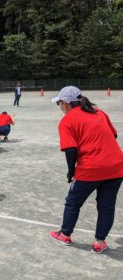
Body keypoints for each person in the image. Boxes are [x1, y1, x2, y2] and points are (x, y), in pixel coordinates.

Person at [49, 86, 123, 254]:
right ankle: (99, 242)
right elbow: (114, 135)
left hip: (91, 167)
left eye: (59, 103)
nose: (59, 107)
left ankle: (65, 235)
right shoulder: (99, 112)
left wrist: (71, 171)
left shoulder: (68, 120)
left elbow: (70, 149)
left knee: (73, 201)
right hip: (116, 166)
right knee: (106, 206)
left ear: (66, 103)